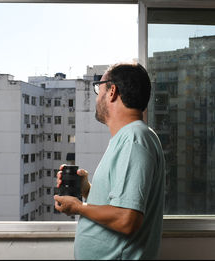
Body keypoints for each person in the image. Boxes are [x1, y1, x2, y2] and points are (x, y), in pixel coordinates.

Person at [54, 62, 165, 260]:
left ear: (112, 91)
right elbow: (119, 205)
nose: (97, 97)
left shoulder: (134, 140)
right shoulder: (131, 137)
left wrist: (78, 207)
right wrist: (87, 189)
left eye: (99, 88)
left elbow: (126, 219)